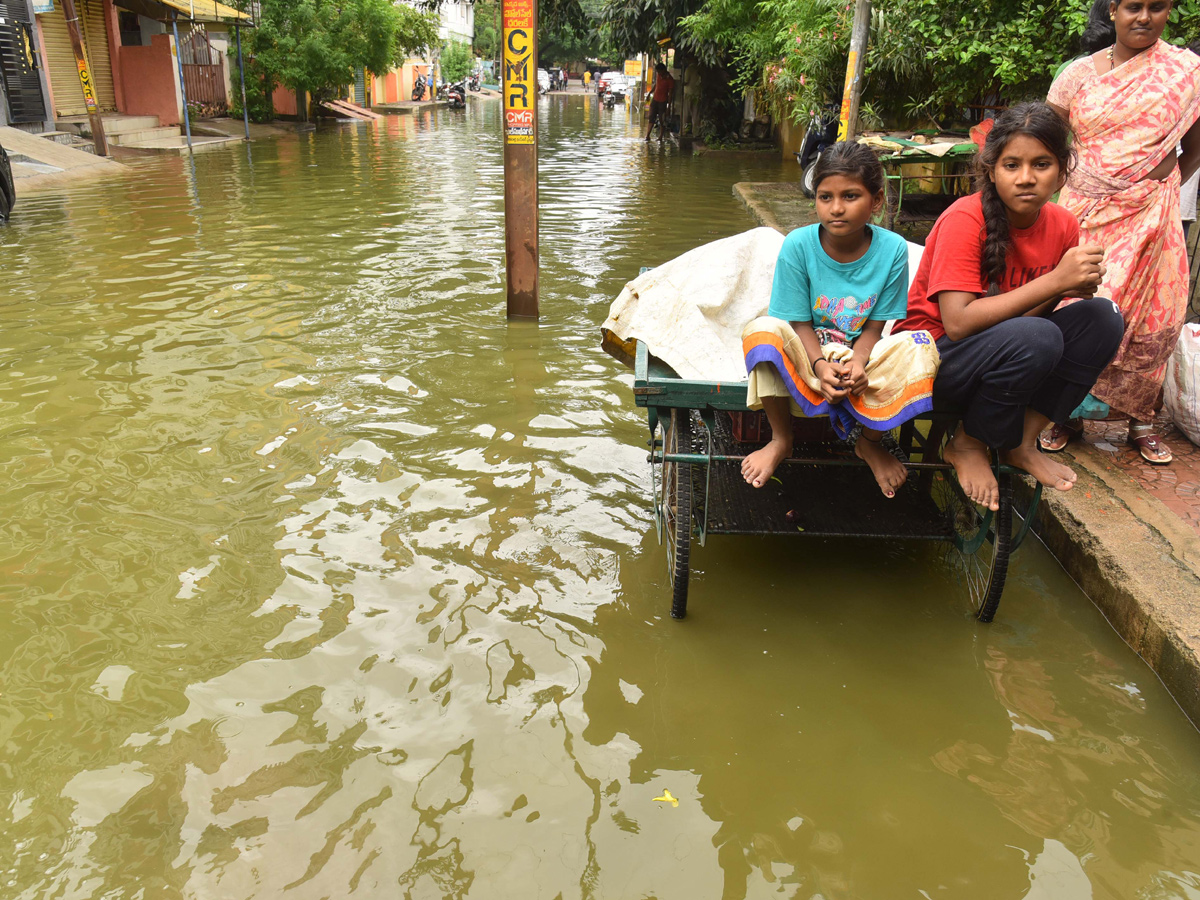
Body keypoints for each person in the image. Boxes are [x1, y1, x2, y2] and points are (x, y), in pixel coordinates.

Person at [892, 102, 1124, 510]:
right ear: (992, 169)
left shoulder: (1063, 224)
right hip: (932, 357)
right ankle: (968, 444)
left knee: (1102, 317)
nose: (1026, 178)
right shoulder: (965, 219)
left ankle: (1021, 441)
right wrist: (1055, 281)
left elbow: (1031, 323)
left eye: (1042, 164)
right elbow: (959, 323)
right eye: (1012, 165)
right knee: (1038, 335)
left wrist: (1074, 286)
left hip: (1002, 352)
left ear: (1062, 171)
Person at [1043, 0, 1200, 464]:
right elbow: (1049, 145)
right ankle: (1063, 413)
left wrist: (1157, 188)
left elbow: (1192, 148)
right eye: (1133, 6)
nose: (1144, 17)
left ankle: (1142, 421)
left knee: (1152, 314)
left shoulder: (1185, 71)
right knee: (1080, 306)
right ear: (1112, 10)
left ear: (1170, 11)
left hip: (1154, 212)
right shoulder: (1076, 75)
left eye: (1157, 7)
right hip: (1086, 213)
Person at [740, 142, 941, 498]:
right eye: (824, 197)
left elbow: (876, 328)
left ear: (876, 201)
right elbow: (797, 323)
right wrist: (818, 364)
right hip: (809, 352)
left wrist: (859, 364)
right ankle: (781, 439)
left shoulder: (893, 249)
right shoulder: (798, 245)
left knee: (920, 344)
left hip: (860, 359)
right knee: (762, 330)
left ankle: (870, 442)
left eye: (850, 196)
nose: (836, 208)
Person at [645, 63, 675, 143]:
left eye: (659, 72)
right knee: (651, 117)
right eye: (657, 72)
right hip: (655, 99)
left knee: (662, 120)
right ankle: (647, 135)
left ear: (664, 70)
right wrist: (649, 93)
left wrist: (669, 107)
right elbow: (656, 85)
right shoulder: (658, 76)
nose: (658, 73)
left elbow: (670, 94)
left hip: (663, 101)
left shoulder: (670, 80)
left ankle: (660, 137)